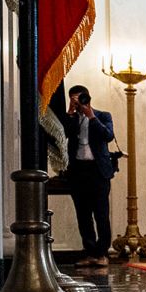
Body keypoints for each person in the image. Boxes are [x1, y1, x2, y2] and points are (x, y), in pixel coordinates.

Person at [63, 84, 116, 268]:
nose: (78, 103)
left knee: (101, 214)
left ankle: (102, 253)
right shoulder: (71, 118)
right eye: (74, 99)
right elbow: (64, 135)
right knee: (83, 215)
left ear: (88, 98)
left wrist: (91, 116)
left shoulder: (103, 116)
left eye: (80, 98)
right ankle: (90, 253)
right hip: (78, 172)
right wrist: (70, 112)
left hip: (98, 171)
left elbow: (108, 135)